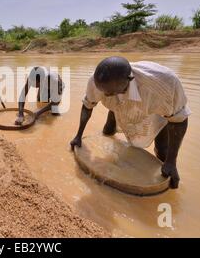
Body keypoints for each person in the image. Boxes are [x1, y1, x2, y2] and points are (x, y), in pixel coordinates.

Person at [70, 57, 191, 189]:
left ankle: (167, 169)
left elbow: (179, 120)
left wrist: (171, 161)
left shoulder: (162, 86)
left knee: (163, 150)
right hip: (118, 104)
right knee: (108, 131)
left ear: (130, 79)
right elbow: (88, 106)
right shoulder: (96, 82)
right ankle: (112, 123)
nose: (106, 94)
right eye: (105, 92)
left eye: (111, 92)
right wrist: (78, 135)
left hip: (154, 109)